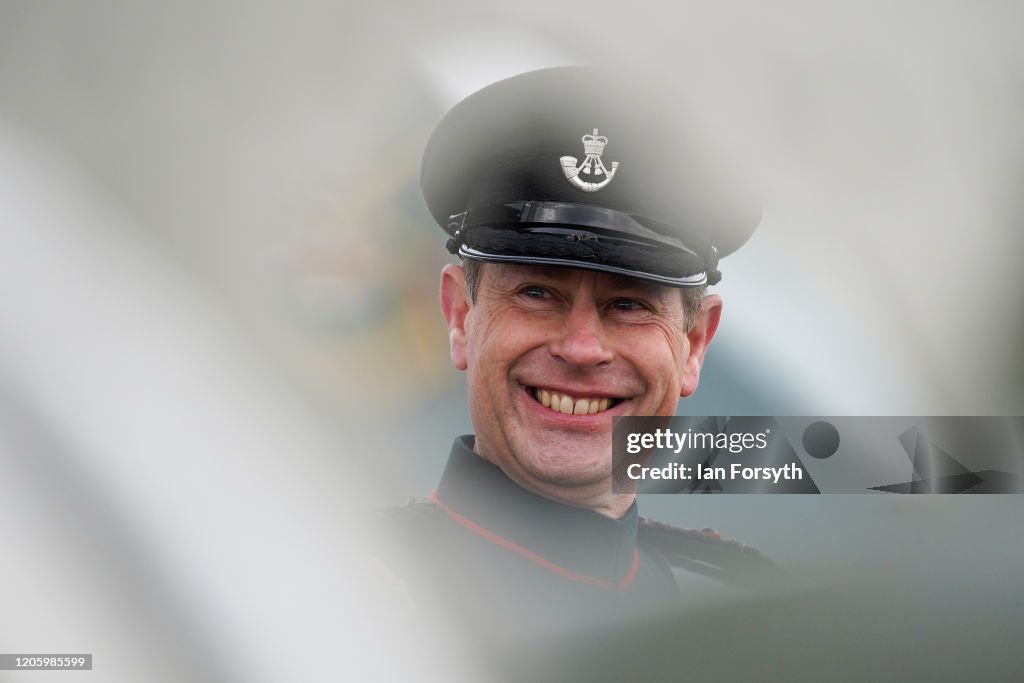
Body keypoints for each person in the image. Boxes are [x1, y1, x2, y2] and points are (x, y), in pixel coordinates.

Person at [378, 66, 772, 652]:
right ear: (461, 316)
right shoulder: (338, 596)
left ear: (693, 346)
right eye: (538, 293)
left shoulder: (748, 617)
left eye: (629, 304)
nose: (582, 348)